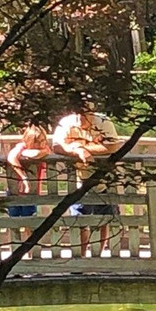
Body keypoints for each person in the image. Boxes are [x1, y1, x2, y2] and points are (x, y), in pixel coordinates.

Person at [51, 98, 122, 256]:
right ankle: (81, 256)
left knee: (105, 218)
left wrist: (82, 147)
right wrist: (77, 151)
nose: (81, 117)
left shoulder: (103, 122)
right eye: (78, 113)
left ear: (92, 112)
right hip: (79, 181)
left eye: (85, 114)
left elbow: (112, 146)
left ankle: (98, 255)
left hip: (104, 178)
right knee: (80, 220)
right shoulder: (66, 123)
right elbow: (56, 146)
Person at [6, 124, 50, 217]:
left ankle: (29, 232)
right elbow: (11, 157)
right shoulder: (21, 146)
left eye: (43, 140)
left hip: (32, 192)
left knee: (30, 219)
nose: (41, 144)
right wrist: (24, 177)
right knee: (14, 219)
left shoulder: (44, 149)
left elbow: (36, 153)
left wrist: (24, 153)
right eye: (37, 142)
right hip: (15, 191)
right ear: (29, 140)